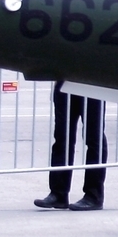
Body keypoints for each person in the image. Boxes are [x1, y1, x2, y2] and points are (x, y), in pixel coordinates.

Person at [35, 83, 105, 211]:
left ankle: (94, 195)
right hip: (66, 80)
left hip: (94, 81)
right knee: (62, 137)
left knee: (94, 137)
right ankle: (58, 193)